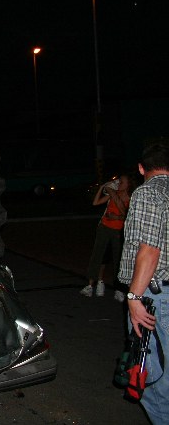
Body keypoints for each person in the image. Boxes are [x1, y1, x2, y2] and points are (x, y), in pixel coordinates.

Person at [119, 142, 169, 425]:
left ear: (141, 168)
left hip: (156, 298)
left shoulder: (148, 192)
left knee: (150, 379)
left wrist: (134, 298)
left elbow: (150, 250)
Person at [80, 173, 136, 301]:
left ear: (129, 184)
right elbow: (95, 203)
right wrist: (103, 188)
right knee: (98, 255)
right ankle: (91, 285)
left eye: (122, 182)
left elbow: (126, 214)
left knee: (119, 259)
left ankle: (119, 288)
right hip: (105, 227)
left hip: (119, 231)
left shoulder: (131, 197)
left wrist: (117, 216)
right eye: (119, 182)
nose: (118, 184)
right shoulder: (112, 193)